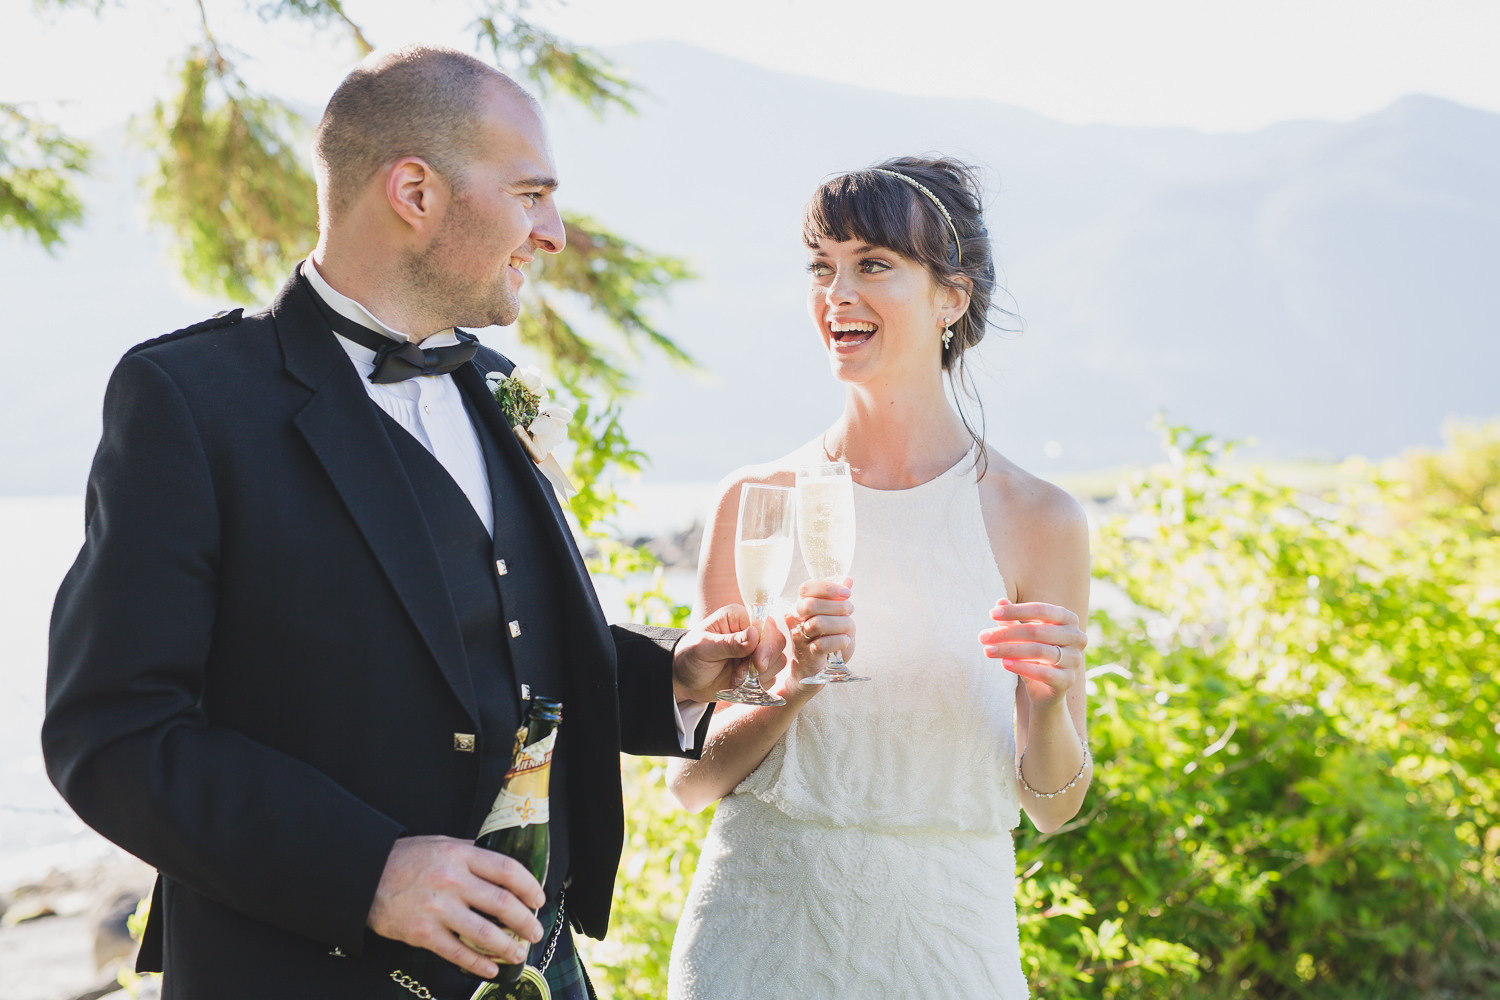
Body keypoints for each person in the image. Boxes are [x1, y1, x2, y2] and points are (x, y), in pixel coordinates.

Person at [42, 45, 787, 1000]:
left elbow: (481, 635)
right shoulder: (191, 400)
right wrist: (371, 873)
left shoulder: (494, 387)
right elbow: (113, 733)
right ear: (414, 191)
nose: (553, 233)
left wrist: (667, 678)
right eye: (531, 194)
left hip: (534, 964)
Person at [665, 157, 1092, 999]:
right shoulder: (758, 502)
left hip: (947, 947)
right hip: (758, 940)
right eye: (823, 267)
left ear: (951, 298)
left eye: (873, 266)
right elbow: (691, 779)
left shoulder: (1039, 519)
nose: (837, 293)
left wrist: (1048, 701)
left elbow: (1054, 803)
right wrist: (790, 686)